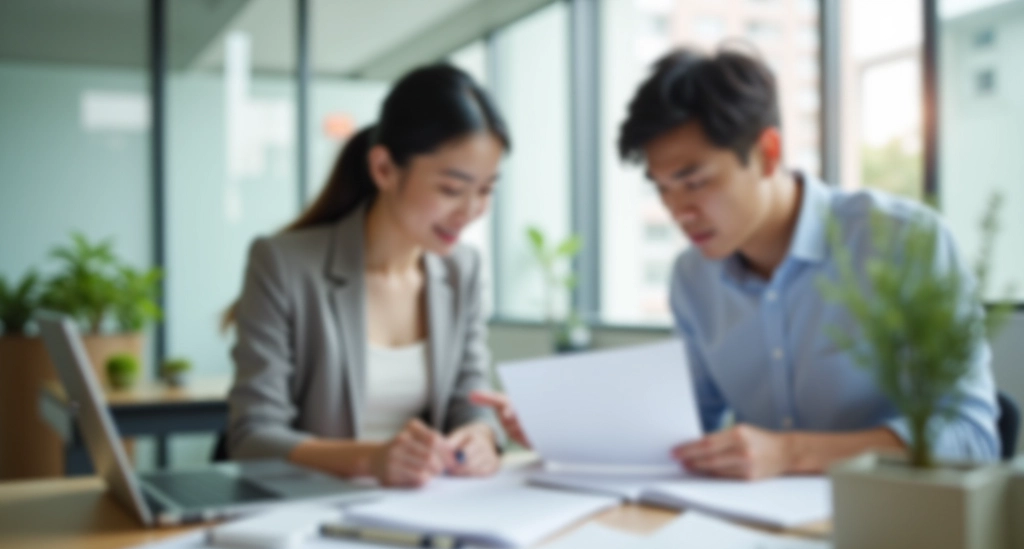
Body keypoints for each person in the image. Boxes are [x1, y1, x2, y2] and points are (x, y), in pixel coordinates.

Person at [474, 47, 1000, 479]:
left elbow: (971, 437)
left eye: (696, 181)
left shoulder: (901, 242)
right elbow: (685, 434)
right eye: (663, 189)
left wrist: (790, 453)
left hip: (890, 528)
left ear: (768, 152)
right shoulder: (692, 277)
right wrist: (571, 435)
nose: (679, 210)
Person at [225, 64, 509, 487]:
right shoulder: (283, 264)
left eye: (486, 190)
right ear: (384, 170)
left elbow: (471, 401)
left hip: (428, 509)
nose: (470, 211)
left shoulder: (462, 269)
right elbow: (251, 437)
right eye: (452, 189)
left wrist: (482, 435)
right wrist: (370, 460)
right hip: (311, 512)